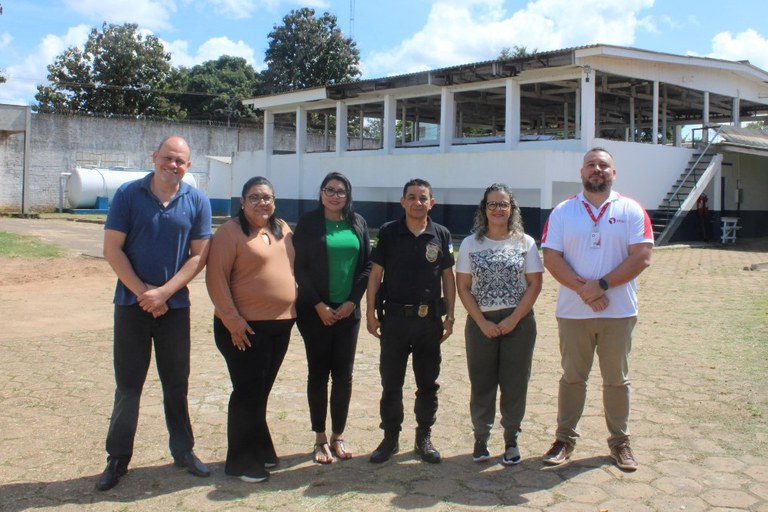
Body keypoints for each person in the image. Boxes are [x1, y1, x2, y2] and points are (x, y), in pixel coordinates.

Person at [97, 135, 212, 491]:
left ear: (188, 166)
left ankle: (183, 450)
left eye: (180, 161)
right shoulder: (128, 195)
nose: (173, 165)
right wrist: (143, 292)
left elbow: (199, 256)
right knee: (128, 387)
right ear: (154, 157)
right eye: (167, 158)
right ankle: (117, 459)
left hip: (174, 307)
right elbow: (112, 249)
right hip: (131, 306)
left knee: (176, 384)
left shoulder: (197, 201)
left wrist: (164, 292)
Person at [540, 147, 653, 471]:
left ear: (613, 173)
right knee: (572, 378)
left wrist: (600, 286)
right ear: (582, 172)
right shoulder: (563, 211)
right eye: (591, 165)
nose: (597, 170)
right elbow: (552, 258)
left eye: (604, 165)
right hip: (574, 312)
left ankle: (620, 443)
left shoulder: (631, 209)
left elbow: (641, 257)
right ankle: (564, 440)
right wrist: (585, 291)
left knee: (616, 379)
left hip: (618, 313)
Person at [205, 176, 297, 483]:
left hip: (281, 324)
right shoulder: (229, 233)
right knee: (247, 393)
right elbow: (216, 279)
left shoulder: (282, 228)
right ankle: (240, 461)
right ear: (242, 202)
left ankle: (261, 448)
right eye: (255, 197)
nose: (262, 203)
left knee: (261, 391)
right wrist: (232, 320)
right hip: (243, 328)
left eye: (267, 198)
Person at [366, 178, 456, 464]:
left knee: (427, 383)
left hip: (428, 321)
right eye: (412, 197)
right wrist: (369, 311)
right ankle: (390, 437)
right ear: (402, 201)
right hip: (394, 320)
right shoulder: (389, 232)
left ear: (432, 202)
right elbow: (376, 274)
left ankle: (424, 437)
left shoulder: (441, 234)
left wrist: (451, 315)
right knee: (391, 382)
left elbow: (448, 278)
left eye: (423, 198)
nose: (418, 202)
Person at [456, 184, 543, 465]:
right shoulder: (470, 244)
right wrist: (481, 322)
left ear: (511, 209)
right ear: (484, 209)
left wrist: (513, 319)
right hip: (481, 323)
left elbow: (534, 284)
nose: (497, 209)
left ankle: (511, 440)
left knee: (515, 383)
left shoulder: (525, 242)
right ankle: (481, 439)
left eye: (503, 204)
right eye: (492, 204)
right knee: (482, 382)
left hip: (518, 323)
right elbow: (463, 287)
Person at [293, 172, 372, 464]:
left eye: (340, 191)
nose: (335, 195)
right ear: (321, 192)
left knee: (344, 376)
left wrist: (353, 301)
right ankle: (319, 438)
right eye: (329, 190)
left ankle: (338, 435)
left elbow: (367, 266)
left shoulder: (358, 223)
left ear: (348, 195)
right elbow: (298, 267)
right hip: (316, 314)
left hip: (348, 313)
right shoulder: (309, 223)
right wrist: (318, 305)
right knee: (318, 374)